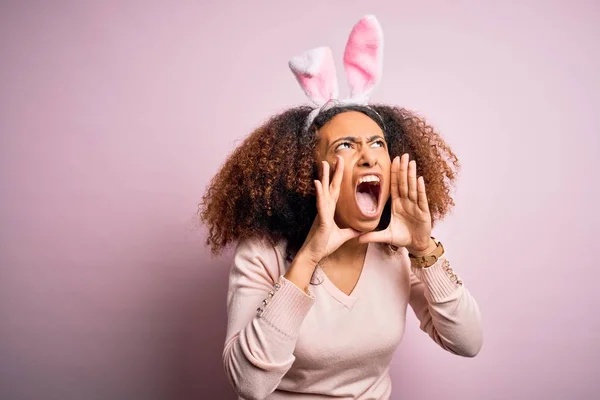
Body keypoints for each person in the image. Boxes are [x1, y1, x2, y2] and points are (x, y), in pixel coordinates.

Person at [199, 14, 483, 400]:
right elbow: (250, 386)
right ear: (307, 171)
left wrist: (424, 249)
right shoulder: (263, 252)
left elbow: (467, 342)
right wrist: (308, 258)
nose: (368, 157)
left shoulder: (397, 250)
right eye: (345, 146)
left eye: (378, 144)